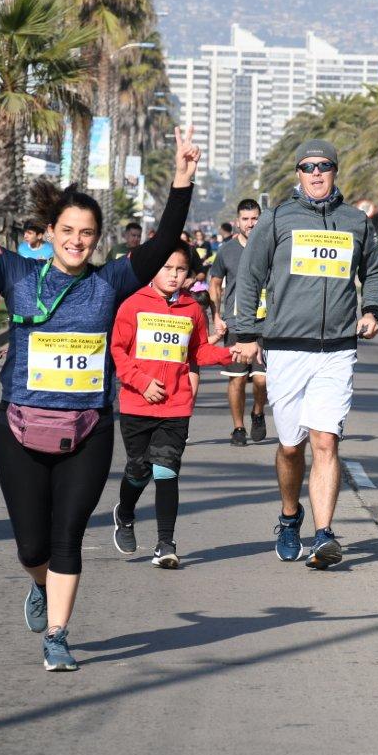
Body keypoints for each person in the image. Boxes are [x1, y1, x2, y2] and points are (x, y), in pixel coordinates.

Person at [0, 125, 201, 672]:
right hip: (20, 427)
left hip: (88, 430)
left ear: (98, 239)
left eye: (87, 233)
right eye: (68, 231)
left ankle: (58, 635)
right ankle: (39, 583)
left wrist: (182, 181)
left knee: (68, 536)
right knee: (31, 547)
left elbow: (162, 243)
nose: (76, 241)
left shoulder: (111, 282)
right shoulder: (17, 274)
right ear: (51, 232)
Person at [230, 139, 378, 570]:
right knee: (290, 446)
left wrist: (371, 309)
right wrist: (247, 333)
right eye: (308, 166)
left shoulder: (355, 221)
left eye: (324, 166)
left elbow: (374, 269)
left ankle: (323, 535)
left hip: (337, 349)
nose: (316, 173)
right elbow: (250, 276)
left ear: (335, 170)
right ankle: (289, 516)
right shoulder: (278, 218)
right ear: (298, 173)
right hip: (286, 348)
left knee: (325, 441)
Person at [110, 241, 233, 568]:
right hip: (137, 404)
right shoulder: (133, 304)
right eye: (167, 268)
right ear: (154, 269)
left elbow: (198, 351)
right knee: (139, 470)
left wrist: (230, 354)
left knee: (166, 470)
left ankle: (165, 543)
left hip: (176, 406)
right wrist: (141, 382)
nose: (174, 275)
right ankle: (125, 514)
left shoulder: (191, 308)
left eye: (181, 269)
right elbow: (118, 350)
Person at [209, 198, 268, 445]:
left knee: (262, 379)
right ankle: (238, 428)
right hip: (235, 324)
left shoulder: (272, 248)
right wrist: (216, 315)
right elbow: (215, 283)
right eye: (245, 219)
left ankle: (258, 413)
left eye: (255, 218)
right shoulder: (227, 251)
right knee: (238, 378)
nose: (250, 223)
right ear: (237, 221)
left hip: (265, 323)